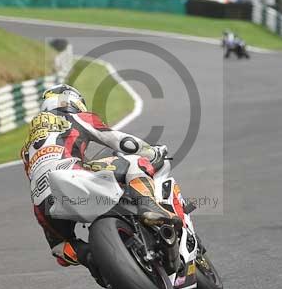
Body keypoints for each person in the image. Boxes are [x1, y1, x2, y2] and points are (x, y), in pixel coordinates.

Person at [21, 83, 170, 276]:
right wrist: (150, 152)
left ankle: (93, 260)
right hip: (72, 174)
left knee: (60, 248)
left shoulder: (27, 146)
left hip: (43, 203)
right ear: (76, 102)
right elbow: (123, 142)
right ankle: (149, 207)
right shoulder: (74, 117)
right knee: (135, 162)